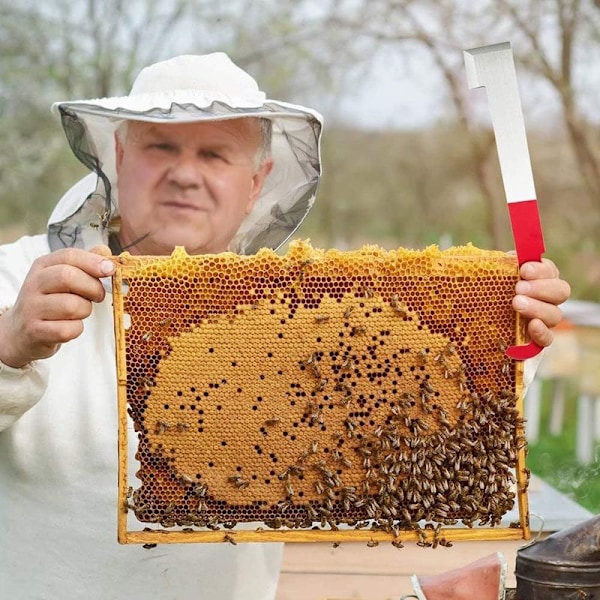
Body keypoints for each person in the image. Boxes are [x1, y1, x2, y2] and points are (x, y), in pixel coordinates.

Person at [0, 52, 569, 600]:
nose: (184, 175)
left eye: (215, 155)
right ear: (119, 158)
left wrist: (510, 326)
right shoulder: (15, 276)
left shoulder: (291, 318)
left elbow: (412, 417)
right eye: (161, 147)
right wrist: (9, 344)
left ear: (257, 180)